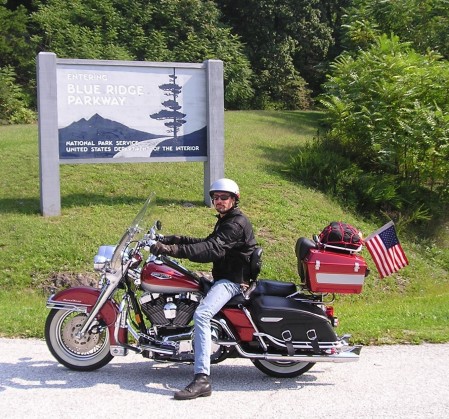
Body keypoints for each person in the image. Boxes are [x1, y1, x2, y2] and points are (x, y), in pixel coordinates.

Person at [150, 178, 256, 400]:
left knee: (202, 314)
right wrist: (172, 239)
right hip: (224, 277)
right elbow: (206, 241)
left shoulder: (236, 224)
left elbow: (212, 249)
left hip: (233, 281)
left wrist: (172, 249)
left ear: (235, 199)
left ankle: (202, 379)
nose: (218, 201)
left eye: (224, 197)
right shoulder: (226, 220)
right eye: (215, 197)